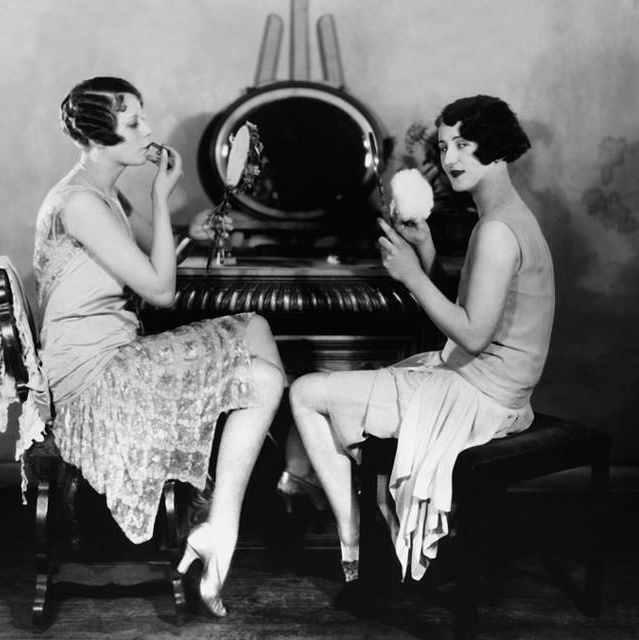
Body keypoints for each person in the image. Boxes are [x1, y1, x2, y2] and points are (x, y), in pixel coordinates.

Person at [287, 95, 554, 611]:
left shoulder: (496, 230)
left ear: (496, 150)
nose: (450, 158)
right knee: (346, 404)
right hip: (496, 387)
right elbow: (477, 312)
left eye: (463, 144)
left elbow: (473, 335)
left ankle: (359, 548)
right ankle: (374, 536)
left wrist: (409, 275)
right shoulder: (508, 217)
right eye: (444, 145)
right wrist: (427, 249)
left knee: (304, 392)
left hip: (477, 394)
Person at [33, 76, 286, 618]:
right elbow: (163, 290)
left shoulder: (101, 190)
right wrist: (159, 194)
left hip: (118, 355)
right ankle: (222, 528)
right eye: (133, 123)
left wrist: (180, 223)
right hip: (95, 382)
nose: (147, 130)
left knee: (256, 327)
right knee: (264, 380)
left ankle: (279, 482)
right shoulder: (79, 203)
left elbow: (152, 244)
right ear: (100, 140)